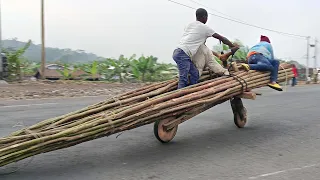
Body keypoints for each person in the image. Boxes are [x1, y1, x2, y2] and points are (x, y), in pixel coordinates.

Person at [173, 8, 237, 89]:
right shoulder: (204, 28)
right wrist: (232, 46)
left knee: (195, 74)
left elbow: (196, 40)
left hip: (180, 52)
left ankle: (191, 90)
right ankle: (179, 97)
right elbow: (221, 38)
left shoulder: (190, 26)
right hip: (183, 54)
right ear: (205, 17)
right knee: (183, 78)